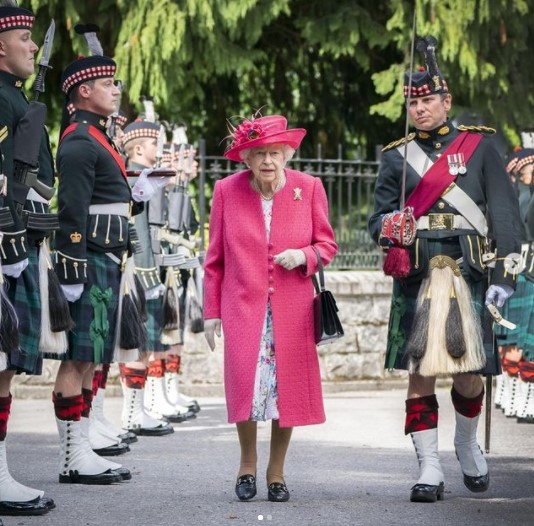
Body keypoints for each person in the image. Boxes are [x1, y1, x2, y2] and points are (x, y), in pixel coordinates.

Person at [368, 37, 522, 503]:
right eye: (412, 102)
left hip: (469, 271)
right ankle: (429, 466)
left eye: (427, 99)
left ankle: (466, 442)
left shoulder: (480, 148)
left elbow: (506, 218)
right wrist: (389, 227)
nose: (419, 109)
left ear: (446, 101)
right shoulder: (397, 155)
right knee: (420, 371)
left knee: (469, 370)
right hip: (416, 274)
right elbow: (376, 220)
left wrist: (504, 279)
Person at [203, 113, 337, 502]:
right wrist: (211, 311)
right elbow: (214, 260)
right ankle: (247, 466)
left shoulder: (308, 187)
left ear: (287, 155)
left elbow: (327, 245)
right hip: (243, 307)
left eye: (275, 153)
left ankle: (276, 472)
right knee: (247, 386)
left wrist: (305, 255)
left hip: (292, 311)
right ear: (246, 158)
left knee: (286, 391)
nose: (267, 161)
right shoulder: (227, 190)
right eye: (259, 153)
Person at [51, 36, 158, 484]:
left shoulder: (98, 136)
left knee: (93, 355)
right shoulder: (79, 140)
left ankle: (84, 446)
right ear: (83, 91)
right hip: (89, 258)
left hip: (109, 257)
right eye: (107, 83)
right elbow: (73, 210)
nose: (116, 89)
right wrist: (71, 269)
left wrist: (134, 194)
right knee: (78, 359)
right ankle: (72, 457)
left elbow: (105, 198)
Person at [0, 4, 57, 516]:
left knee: (4, 367)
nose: (34, 46)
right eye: (24, 36)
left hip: (13, 243)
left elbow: (35, 176)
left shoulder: (14, 100)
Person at [495, 149, 534, 421]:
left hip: (523, 267)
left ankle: (518, 397)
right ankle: (519, 397)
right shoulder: (519, 197)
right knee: (518, 339)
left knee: (522, 338)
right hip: (523, 267)